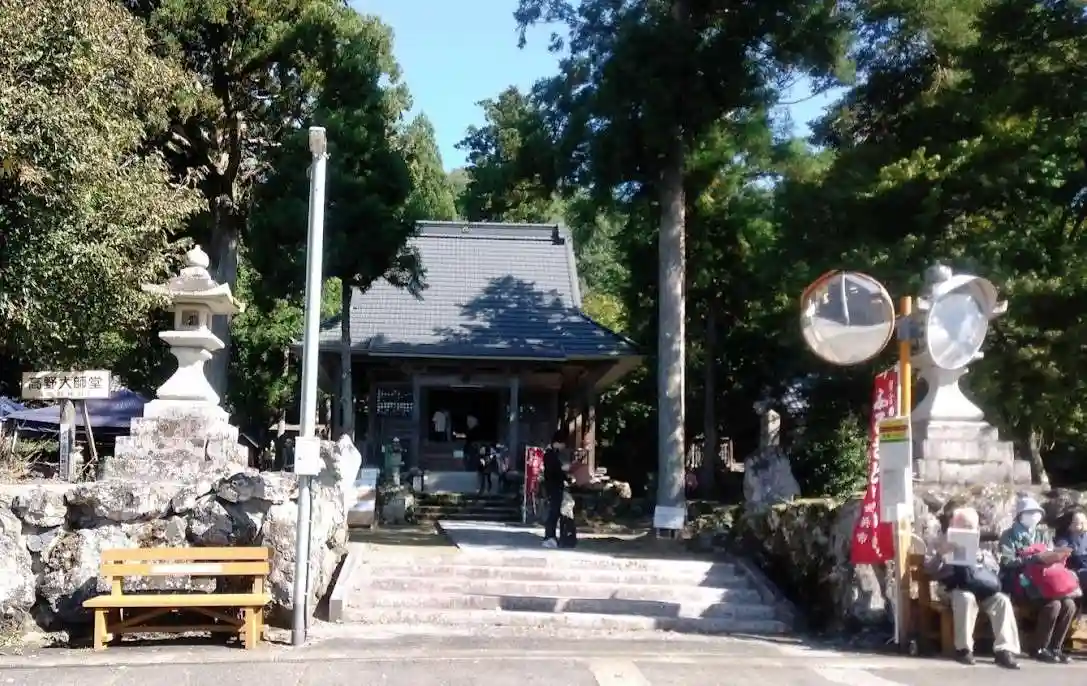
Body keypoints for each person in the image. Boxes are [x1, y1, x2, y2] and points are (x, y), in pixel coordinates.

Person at [924, 506, 1020, 669]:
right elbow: (928, 569)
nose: (966, 530)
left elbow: (995, 568)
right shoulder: (939, 542)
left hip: (980, 587)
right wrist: (941, 555)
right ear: (952, 524)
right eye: (962, 526)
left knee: (1002, 600)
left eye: (970, 527)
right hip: (951, 588)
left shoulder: (981, 542)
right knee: (965, 598)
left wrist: (981, 558)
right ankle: (964, 649)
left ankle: (1005, 650)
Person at [999, 495, 1079, 663]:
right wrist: (1031, 559)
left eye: (1037, 512)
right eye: (1029, 512)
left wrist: (1058, 555)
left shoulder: (1043, 534)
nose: (1034, 516)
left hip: (1046, 580)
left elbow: (1051, 554)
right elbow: (1007, 561)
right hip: (1023, 581)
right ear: (1020, 515)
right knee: (1054, 605)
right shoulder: (1008, 535)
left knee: (1069, 605)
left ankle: (1055, 648)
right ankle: (1039, 648)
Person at [541, 431, 569, 549]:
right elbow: (554, 471)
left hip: (555, 486)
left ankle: (550, 536)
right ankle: (549, 537)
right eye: (563, 443)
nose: (564, 446)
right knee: (553, 512)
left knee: (555, 512)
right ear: (557, 442)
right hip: (553, 487)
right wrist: (563, 470)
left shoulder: (553, 454)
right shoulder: (550, 455)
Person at [1055, 510, 1087, 594]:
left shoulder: (1085, 536)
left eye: (1081, 522)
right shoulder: (1064, 538)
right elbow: (1062, 549)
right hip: (1074, 570)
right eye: (1074, 522)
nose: (1077, 525)